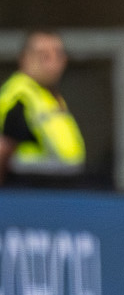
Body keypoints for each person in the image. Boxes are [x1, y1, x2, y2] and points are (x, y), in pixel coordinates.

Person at [0, 30, 86, 183]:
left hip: (58, 196)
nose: (52, 62)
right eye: (43, 55)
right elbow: (3, 151)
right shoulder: (21, 97)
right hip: (28, 197)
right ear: (24, 59)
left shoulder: (47, 96)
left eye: (58, 55)